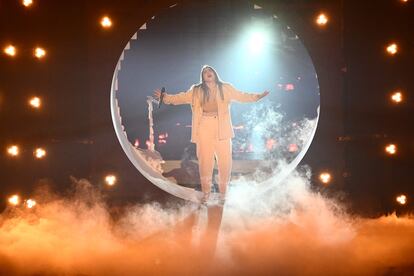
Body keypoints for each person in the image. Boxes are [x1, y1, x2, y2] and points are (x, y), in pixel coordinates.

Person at [154, 65, 269, 203]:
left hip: (222, 128)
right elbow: (180, 98)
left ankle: (223, 194)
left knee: (225, 163)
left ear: (215, 74)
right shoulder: (196, 90)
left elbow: (241, 96)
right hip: (204, 127)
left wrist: (257, 97)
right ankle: (206, 193)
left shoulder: (225, 88)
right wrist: (165, 97)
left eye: (210, 71)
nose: (208, 73)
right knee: (205, 163)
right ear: (202, 77)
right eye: (205, 72)